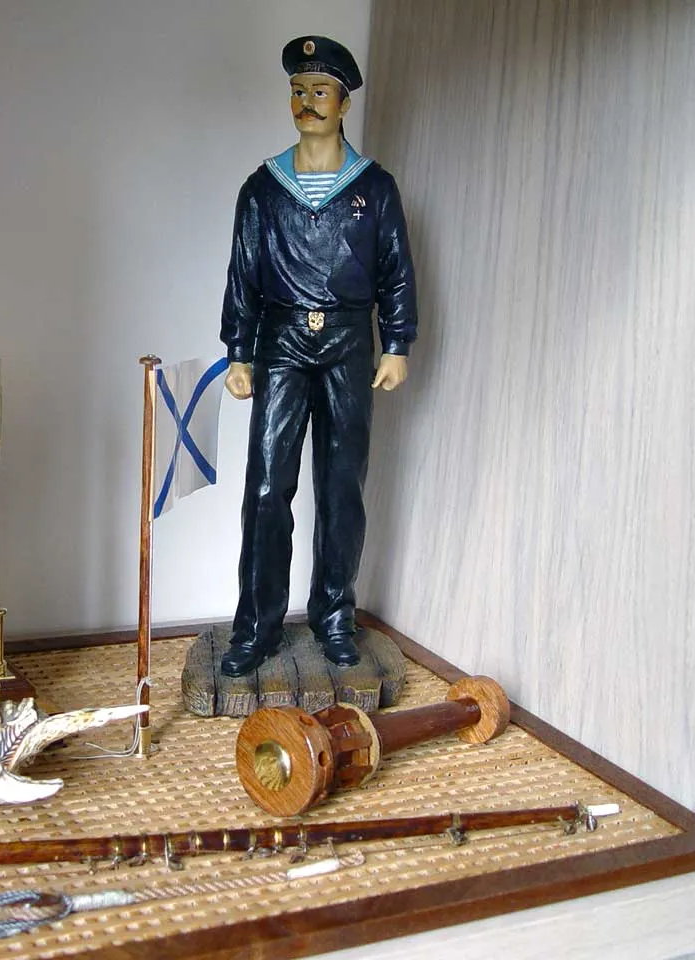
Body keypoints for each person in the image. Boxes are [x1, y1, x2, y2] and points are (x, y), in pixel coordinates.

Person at [219, 35, 418, 678]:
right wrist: (239, 352)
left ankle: (334, 617)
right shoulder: (262, 189)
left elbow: (396, 271)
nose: (308, 101)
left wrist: (396, 343)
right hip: (279, 343)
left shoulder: (375, 187)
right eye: (299, 90)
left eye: (321, 91)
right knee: (267, 486)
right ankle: (256, 625)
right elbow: (243, 274)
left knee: (341, 486)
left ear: (343, 102)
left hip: (347, 344)